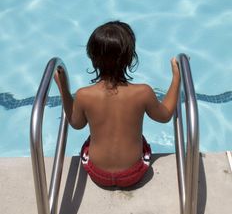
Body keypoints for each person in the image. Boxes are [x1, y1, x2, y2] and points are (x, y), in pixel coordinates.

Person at [55, 21, 180, 188]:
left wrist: (63, 87)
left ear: (92, 57)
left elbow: (76, 123)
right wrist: (177, 78)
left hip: (98, 174)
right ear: (130, 58)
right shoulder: (143, 92)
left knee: (89, 143)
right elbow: (164, 116)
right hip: (133, 173)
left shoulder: (84, 95)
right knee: (141, 142)